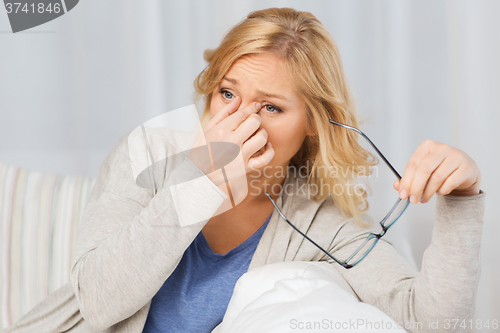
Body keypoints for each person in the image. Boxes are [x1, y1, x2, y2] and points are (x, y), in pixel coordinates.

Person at [2, 7, 484, 333]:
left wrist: (462, 197)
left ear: (314, 124)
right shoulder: (147, 152)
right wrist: (202, 182)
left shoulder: (319, 221)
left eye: (271, 108)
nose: (240, 122)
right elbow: (100, 302)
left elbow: (426, 323)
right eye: (228, 94)